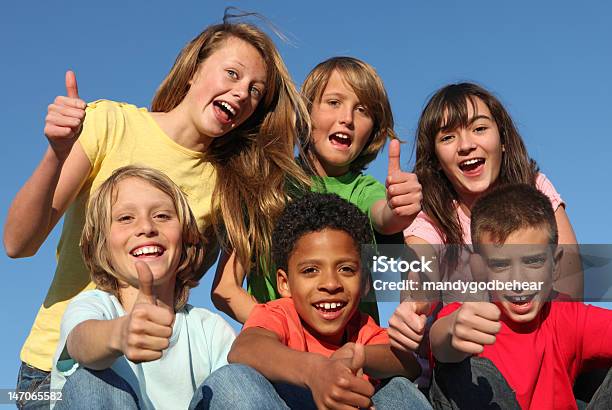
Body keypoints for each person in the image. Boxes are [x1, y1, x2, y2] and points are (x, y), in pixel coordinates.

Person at [4, 15, 310, 408]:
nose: (240, 93)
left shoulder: (228, 186)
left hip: (157, 375)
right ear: (194, 70)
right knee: (95, 387)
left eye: (255, 91)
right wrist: (55, 155)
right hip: (55, 366)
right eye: (231, 74)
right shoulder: (110, 123)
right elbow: (17, 243)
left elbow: (199, 287)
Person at [388, 83, 581, 385]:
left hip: (543, 361)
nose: (466, 145)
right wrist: (413, 307)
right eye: (448, 137)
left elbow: (571, 290)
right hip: (469, 374)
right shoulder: (431, 215)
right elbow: (420, 271)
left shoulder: (535, 187)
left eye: (479, 128)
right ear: (437, 160)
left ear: (502, 139)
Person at [212, 56, 422, 324]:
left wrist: (397, 211)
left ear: (373, 131)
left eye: (363, 110)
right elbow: (225, 288)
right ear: (305, 112)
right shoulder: (263, 185)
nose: (347, 118)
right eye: (333, 103)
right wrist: (281, 334)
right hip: (276, 357)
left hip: (351, 358)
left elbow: (383, 216)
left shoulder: (365, 190)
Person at [198, 193, 431, 409]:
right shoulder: (279, 313)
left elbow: (408, 364)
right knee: (231, 383)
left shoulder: (362, 329)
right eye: (310, 270)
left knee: (399, 389)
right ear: (284, 284)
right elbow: (244, 348)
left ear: (366, 283)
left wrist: (358, 356)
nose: (330, 284)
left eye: (346, 269)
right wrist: (315, 371)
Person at [50, 166, 236, 409]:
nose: (147, 227)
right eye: (126, 218)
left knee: (237, 379)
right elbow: (79, 344)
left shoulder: (208, 329)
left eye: (162, 216)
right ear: (101, 245)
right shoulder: (94, 308)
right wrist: (120, 333)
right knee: (90, 380)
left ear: (186, 237)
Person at [428, 183, 612, 410]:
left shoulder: (565, 317)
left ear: (555, 264)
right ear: (478, 269)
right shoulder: (468, 317)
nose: (519, 279)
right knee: (468, 372)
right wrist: (450, 331)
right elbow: (440, 341)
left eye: (533, 261)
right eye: (501, 264)